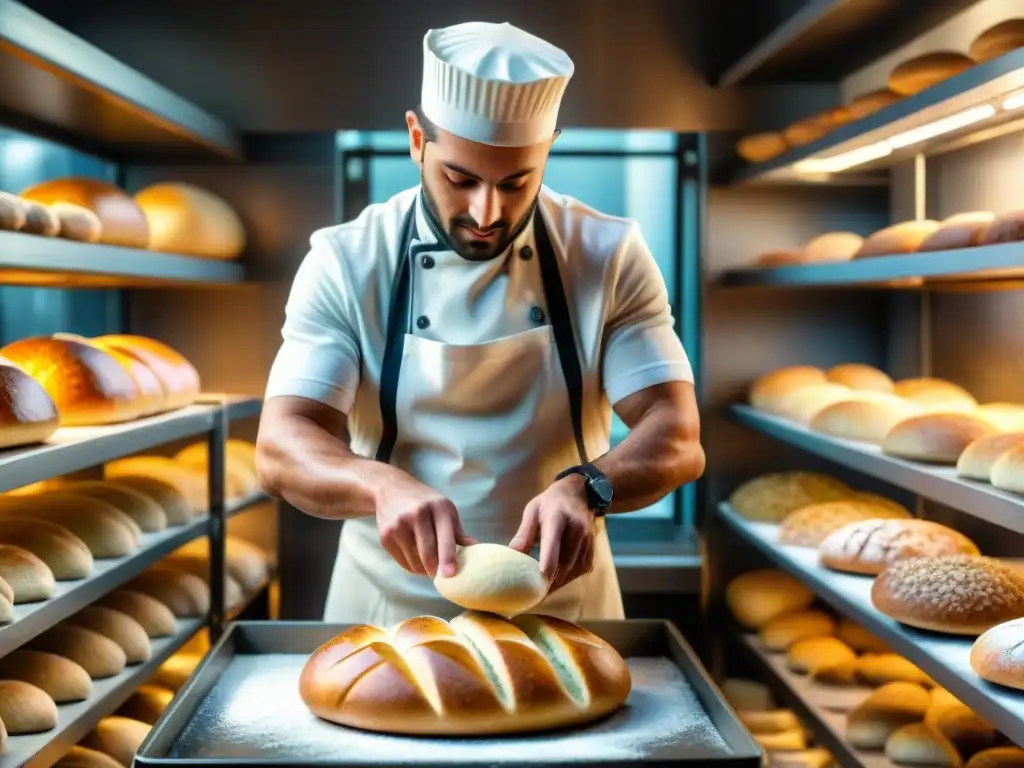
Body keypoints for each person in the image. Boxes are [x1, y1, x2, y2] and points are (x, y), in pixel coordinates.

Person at [256, 20, 705, 625]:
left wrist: (589, 486)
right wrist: (379, 485)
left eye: (516, 182)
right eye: (459, 179)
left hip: (564, 610)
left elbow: (675, 432)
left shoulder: (608, 254)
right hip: (387, 614)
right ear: (418, 139)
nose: (486, 214)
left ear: (548, 151)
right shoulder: (348, 260)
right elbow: (282, 444)